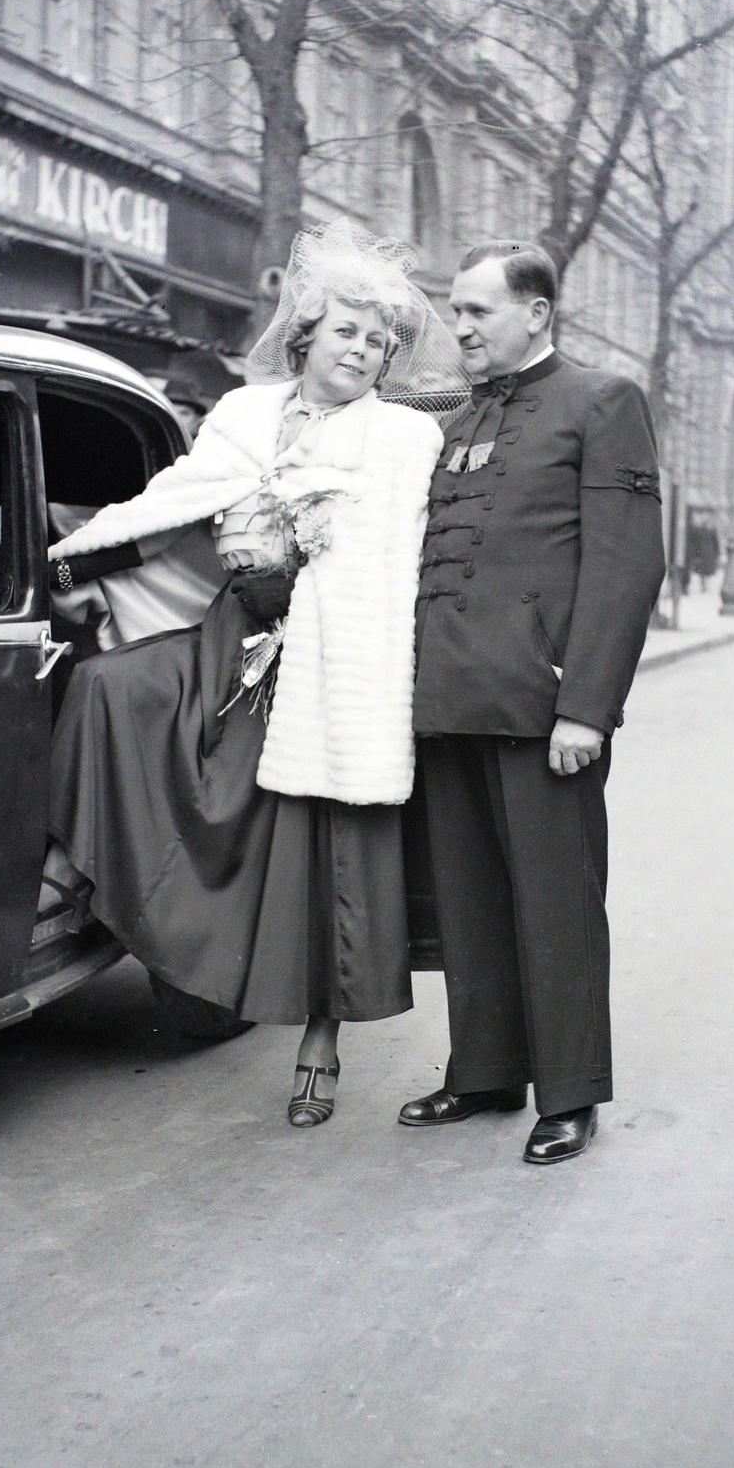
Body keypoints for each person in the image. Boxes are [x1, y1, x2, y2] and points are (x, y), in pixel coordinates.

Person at [41, 220, 468, 1127]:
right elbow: (175, 505)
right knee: (107, 687)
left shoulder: (399, 440)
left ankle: (321, 1040)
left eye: (378, 341)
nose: (361, 350)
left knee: (326, 846)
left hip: (334, 652)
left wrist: (306, 576)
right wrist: (73, 566)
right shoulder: (242, 413)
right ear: (306, 333)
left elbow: (392, 558)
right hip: (231, 638)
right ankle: (81, 870)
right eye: (347, 331)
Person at [399, 240, 665, 1164]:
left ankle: (571, 1094)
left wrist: (586, 708)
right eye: (455, 309)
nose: (459, 326)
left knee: (555, 905)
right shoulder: (453, 417)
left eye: (476, 310)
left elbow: (627, 565)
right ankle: (482, 1072)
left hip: (541, 703)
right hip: (448, 700)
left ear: (537, 312)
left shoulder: (602, 403)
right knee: (468, 902)